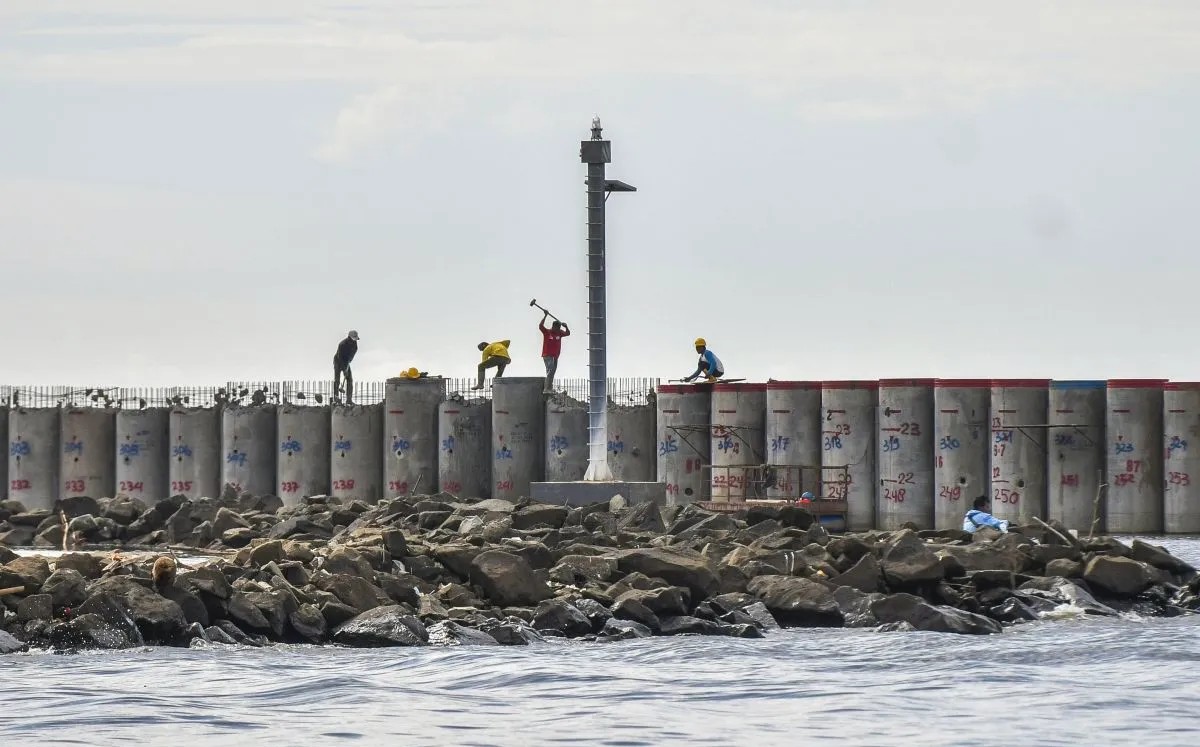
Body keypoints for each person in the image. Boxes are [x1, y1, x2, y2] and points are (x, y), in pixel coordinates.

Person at [538, 313, 570, 393]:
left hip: (555, 356)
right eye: (557, 328)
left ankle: (549, 388)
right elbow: (540, 326)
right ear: (553, 327)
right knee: (550, 370)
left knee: (552, 372)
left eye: (559, 328)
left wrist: (566, 327)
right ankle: (546, 389)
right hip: (547, 355)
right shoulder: (547, 332)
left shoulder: (560, 333)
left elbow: (568, 333)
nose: (558, 329)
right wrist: (545, 316)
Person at [333, 330, 360, 404]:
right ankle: (336, 398)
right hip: (338, 361)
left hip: (347, 361)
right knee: (337, 379)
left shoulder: (355, 345)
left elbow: (352, 355)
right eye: (354, 338)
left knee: (350, 379)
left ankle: (349, 399)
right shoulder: (342, 344)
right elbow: (340, 357)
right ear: (349, 337)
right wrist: (344, 369)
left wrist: (348, 363)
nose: (355, 339)